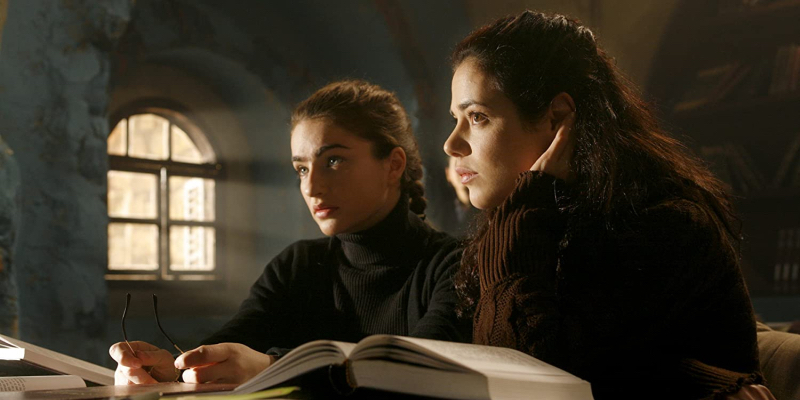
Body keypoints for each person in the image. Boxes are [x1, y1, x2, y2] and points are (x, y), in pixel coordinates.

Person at [445, 11, 771, 400]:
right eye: (455, 119)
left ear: (557, 117)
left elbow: (527, 382)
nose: (451, 144)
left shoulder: (660, 224)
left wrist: (524, 206)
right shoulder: (539, 221)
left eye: (477, 117)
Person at [110, 80, 466, 385]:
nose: (311, 187)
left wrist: (271, 366)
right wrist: (173, 371)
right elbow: (231, 345)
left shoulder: (455, 265)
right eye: (301, 168)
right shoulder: (297, 265)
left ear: (393, 165)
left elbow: (418, 375)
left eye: (334, 161)